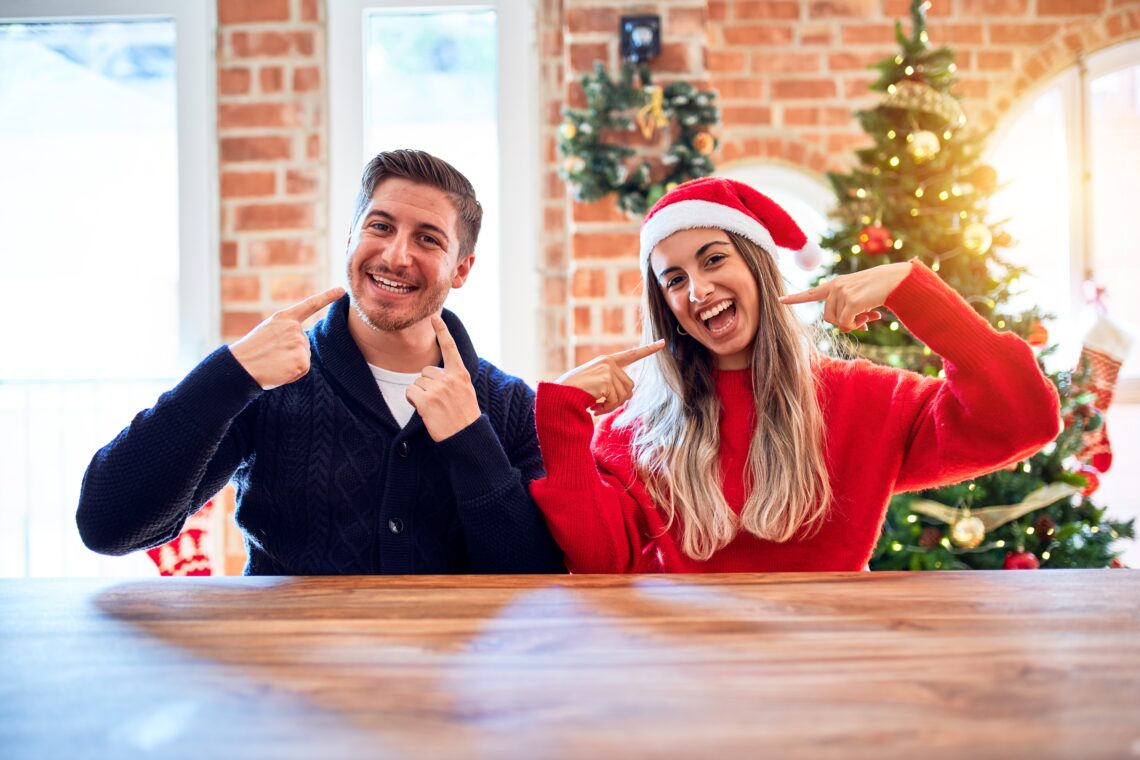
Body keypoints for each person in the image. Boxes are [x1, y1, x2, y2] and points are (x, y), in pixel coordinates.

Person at [529, 177, 1061, 573]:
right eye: (674, 279)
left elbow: (1022, 420)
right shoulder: (631, 433)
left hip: (827, 670)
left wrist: (912, 291)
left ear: (758, 268)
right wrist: (559, 416)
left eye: (714, 260)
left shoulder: (864, 398)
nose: (697, 290)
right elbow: (600, 565)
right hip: (687, 680)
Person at [77, 149, 563, 575]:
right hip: (287, 674)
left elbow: (536, 580)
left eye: (428, 239)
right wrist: (229, 373)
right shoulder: (267, 382)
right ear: (350, 238)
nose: (396, 255)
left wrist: (470, 441)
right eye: (381, 226)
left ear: (461, 269)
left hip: (451, 677)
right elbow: (108, 526)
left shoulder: (510, 405)